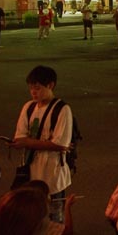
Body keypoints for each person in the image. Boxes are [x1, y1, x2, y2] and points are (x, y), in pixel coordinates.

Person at [10, 66, 73, 223]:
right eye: (31, 88)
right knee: (34, 217)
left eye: (37, 88)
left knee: (55, 219)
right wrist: (23, 142)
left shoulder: (62, 109)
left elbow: (61, 143)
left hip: (53, 174)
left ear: (50, 85)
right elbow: (20, 134)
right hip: (31, 172)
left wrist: (28, 142)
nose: (33, 92)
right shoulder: (29, 107)